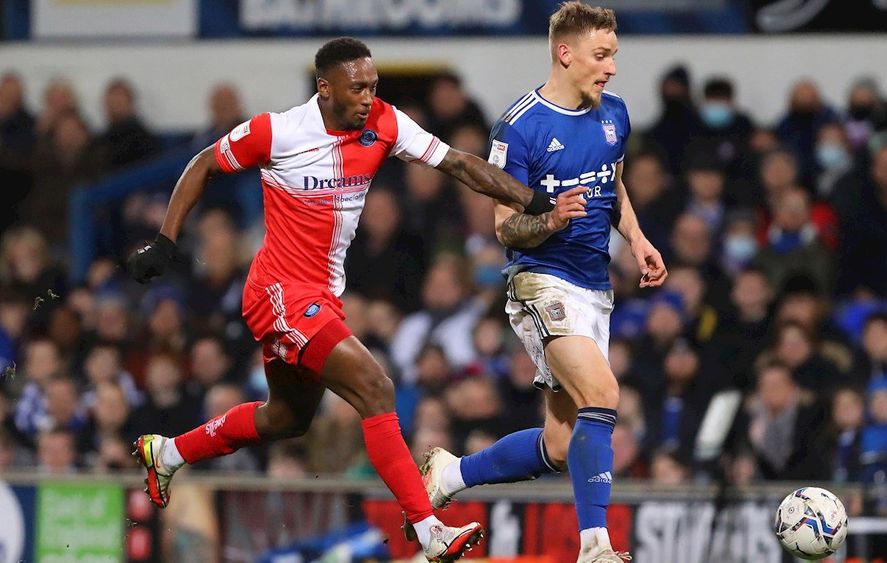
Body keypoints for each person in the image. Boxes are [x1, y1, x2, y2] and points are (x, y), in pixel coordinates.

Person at [125, 37, 553, 562]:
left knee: (286, 418)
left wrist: (533, 200)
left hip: (321, 298)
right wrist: (168, 241)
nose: (369, 98)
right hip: (278, 294)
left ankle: (166, 452)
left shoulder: (384, 123)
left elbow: (461, 164)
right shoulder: (277, 131)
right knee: (376, 388)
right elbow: (202, 165)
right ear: (324, 89)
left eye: (373, 86)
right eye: (358, 88)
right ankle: (429, 528)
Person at [412, 4, 666, 562]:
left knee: (558, 443)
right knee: (603, 394)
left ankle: (452, 474)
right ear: (565, 53)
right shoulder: (521, 126)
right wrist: (550, 219)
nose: (612, 68)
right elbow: (505, 225)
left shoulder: (615, 114)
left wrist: (638, 238)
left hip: (595, 286)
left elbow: (612, 183)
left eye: (615, 55)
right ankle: (595, 547)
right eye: (602, 56)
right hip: (541, 284)